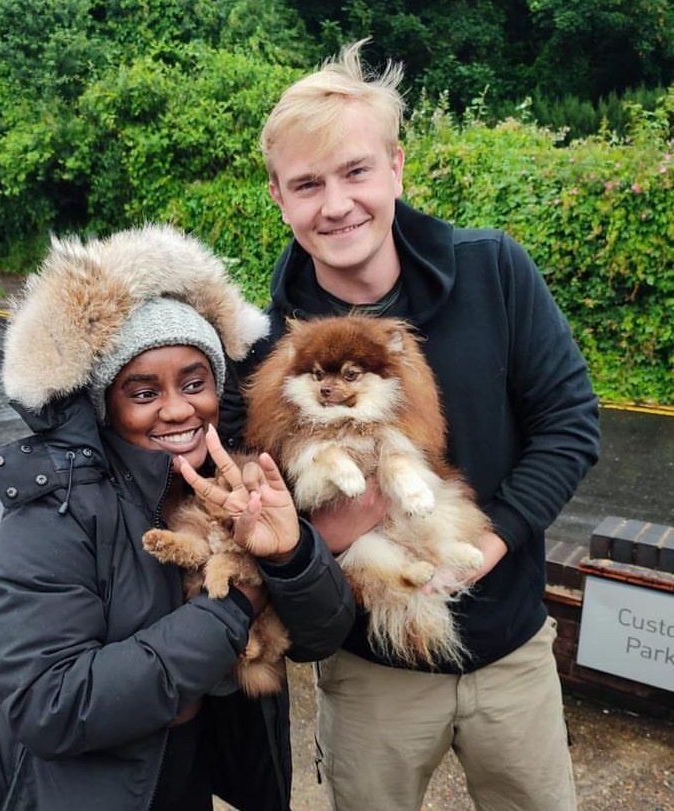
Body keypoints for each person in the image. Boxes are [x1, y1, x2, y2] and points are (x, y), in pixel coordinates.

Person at [219, 39, 601, 811]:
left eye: (356, 171)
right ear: (278, 196)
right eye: (307, 184)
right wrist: (324, 533)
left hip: (511, 656)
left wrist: (493, 544)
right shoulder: (259, 344)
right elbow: (248, 500)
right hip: (369, 672)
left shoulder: (496, 272)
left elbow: (570, 422)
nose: (336, 204)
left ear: (396, 166)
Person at [0, 224, 355, 811]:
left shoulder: (244, 480)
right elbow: (49, 704)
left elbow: (323, 634)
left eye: (195, 383)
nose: (178, 409)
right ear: (109, 404)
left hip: (183, 776)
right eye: (144, 392)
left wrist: (291, 556)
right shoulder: (57, 512)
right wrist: (230, 612)